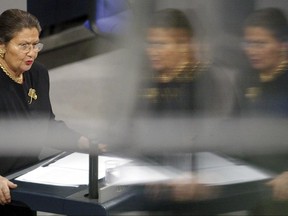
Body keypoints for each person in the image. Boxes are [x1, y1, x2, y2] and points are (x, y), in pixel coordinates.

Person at [0, 9, 90, 215]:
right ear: (2, 46)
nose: (32, 53)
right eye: (23, 46)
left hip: (25, 186)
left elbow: (46, 124)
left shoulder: (38, 74)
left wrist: (82, 142)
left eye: (35, 45)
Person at [135, 8, 221, 215]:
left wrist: (193, 173)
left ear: (184, 45)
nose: (152, 51)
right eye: (150, 44)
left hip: (197, 193)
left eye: (161, 44)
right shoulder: (150, 81)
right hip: (159, 188)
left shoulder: (204, 83)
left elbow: (216, 139)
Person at [241, 7, 288, 215]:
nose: (252, 51)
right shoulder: (248, 79)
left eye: (260, 44)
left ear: (283, 45)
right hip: (256, 191)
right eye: (249, 43)